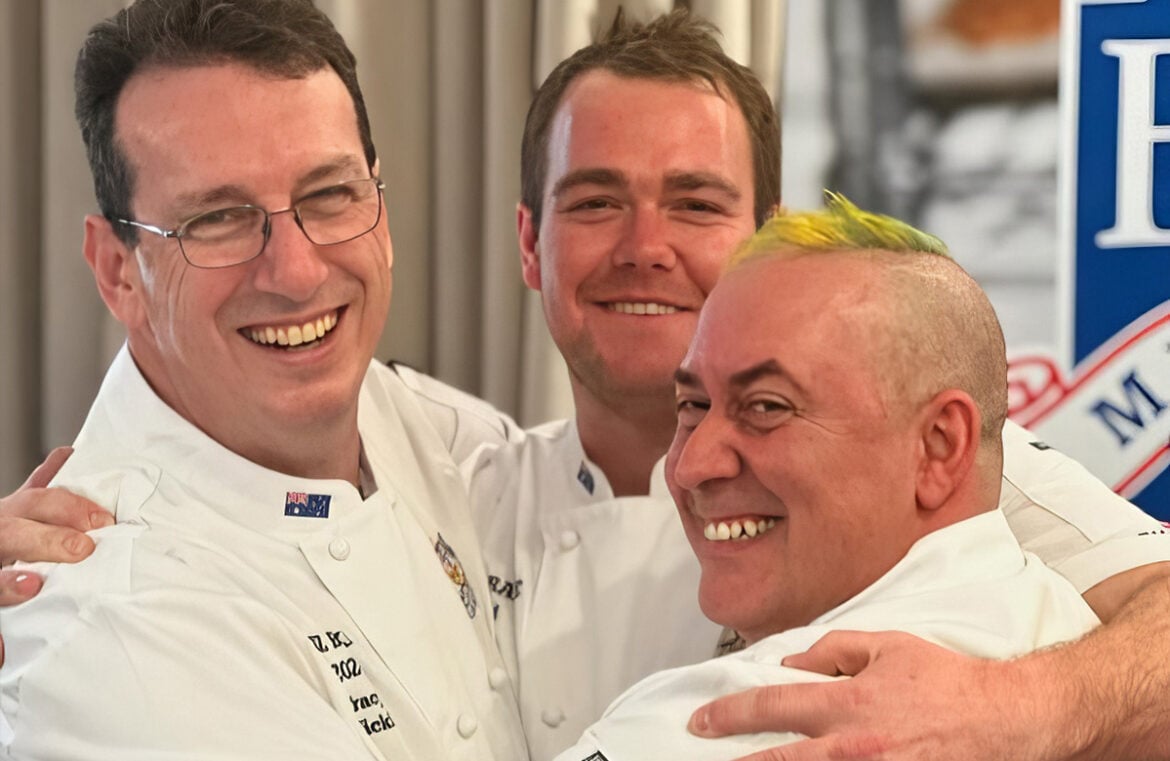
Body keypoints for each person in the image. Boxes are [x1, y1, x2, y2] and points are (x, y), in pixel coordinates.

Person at [4, 9, 1170, 761]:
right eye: (595, 200)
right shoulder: (457, 462)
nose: (644, 247)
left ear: (771, 233)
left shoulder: (919, 454)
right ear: (530, 243)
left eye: (698, 203)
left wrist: (1023, 710)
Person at [0, 1, 527, 759]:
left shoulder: (420, 419)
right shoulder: (106, 624)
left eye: (330, 194)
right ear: (119, 271)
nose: (297, 272)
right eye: (217, 218)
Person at [553, 195, 1101, 760]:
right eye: (692, 405)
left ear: (940, 445)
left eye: (766, 407)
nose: (691, 466)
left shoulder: (729, 724)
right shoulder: (1088, 648)